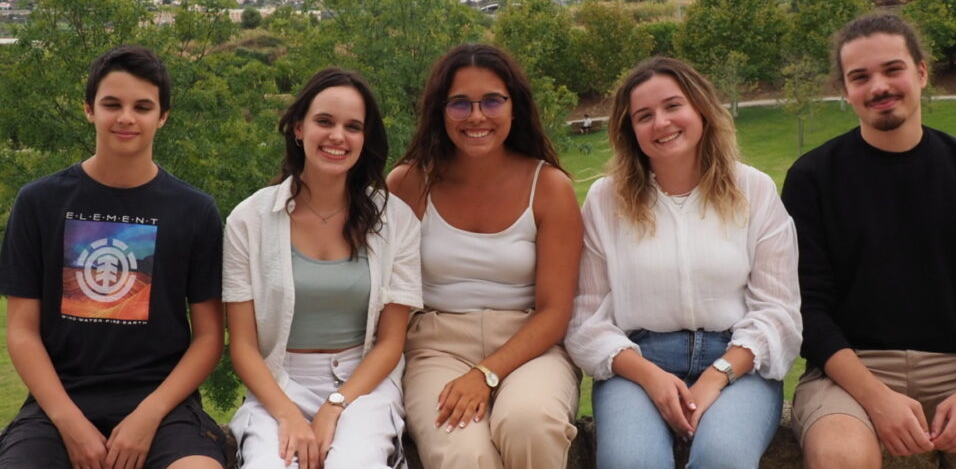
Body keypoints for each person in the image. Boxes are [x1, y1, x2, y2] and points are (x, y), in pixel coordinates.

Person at [782, 13, 956, 469]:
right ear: (845, 90)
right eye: (860, 77)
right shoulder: (812, 177)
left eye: (892, 69)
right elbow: (807, 309)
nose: (879, 86)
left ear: (921, 72)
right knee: (841, 458)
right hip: (851, 374)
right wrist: (877, 399)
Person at [565, 56, 802, 469]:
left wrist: (718, 375)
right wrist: (649, 376)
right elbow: (586, 320)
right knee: (629, 463)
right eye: (644, 115)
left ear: (701, 110)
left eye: (673, 106)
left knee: (722, 458)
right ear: (630, 131)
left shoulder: (754, 189)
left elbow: (779, 311)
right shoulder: (606, 201)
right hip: (638, 364)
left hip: (737, 361)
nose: (661, 122)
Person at [0, 45, 226, 469]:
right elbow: (22, 331)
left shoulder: (195, 211)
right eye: (112, 104)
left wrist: (150, 414)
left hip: (164, 408)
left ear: (163, 116)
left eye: (143, 106)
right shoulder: (39, 203)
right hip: (58, 405)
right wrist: (69, 421)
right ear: (89, 110)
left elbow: (210, 337)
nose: (126, 117)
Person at [387, 43, 583, 469]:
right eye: (460, 104)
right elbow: (385, 292)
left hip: (530, 344)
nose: (476, 116)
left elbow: (555, 312)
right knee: (463, 453)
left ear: (515, 107)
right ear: (440, 111)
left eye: (492, 100)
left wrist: (485, 373)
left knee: (530, 423)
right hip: (436, 348)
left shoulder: (549, 187)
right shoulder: (408, 184)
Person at [222, 68, 422, 469]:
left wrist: (337, 404)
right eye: (324, 121)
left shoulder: (395, 220)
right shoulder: (249, 219)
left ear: (365, 140)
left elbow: (390, 342)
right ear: (299, 128)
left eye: (353, 127)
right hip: (278, 382)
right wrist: (287, 413)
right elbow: (242, 345)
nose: (337, 137)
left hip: (363, 383)